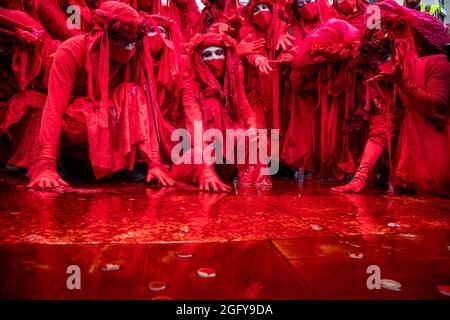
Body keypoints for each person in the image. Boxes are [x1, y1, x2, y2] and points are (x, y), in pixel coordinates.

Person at [26, 1, 175, 189]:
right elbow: (54, 108)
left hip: (112, 120)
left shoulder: (138, 53)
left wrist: (155, 162)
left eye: (133, 42)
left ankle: (126, 165)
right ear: (102, 35)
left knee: (134, 93)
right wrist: (46, 164)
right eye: (122, 41)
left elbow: (147, 108)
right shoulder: (71, 50)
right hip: (76, 128)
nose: (129, 49)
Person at [332, 0, 450, 196]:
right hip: (411, 179)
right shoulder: (378, 74)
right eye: (374, 36)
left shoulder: (437, 64)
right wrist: (360, 177)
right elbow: (381, 126)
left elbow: (438, 107)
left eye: (388, 30)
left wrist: (404, 83)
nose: (381, 39)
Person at [171, 32, 272, 192]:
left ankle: (250, 188)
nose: (213, 59)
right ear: (199, 59)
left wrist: (252, 128)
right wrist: (204, 165)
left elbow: (246, 111)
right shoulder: (190, 87)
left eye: (219, 53)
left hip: (230, 145)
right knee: (197, 156)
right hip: (205, 147)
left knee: (257, 138)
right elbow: (194, 126)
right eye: (207, 54)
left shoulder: (233, 81)